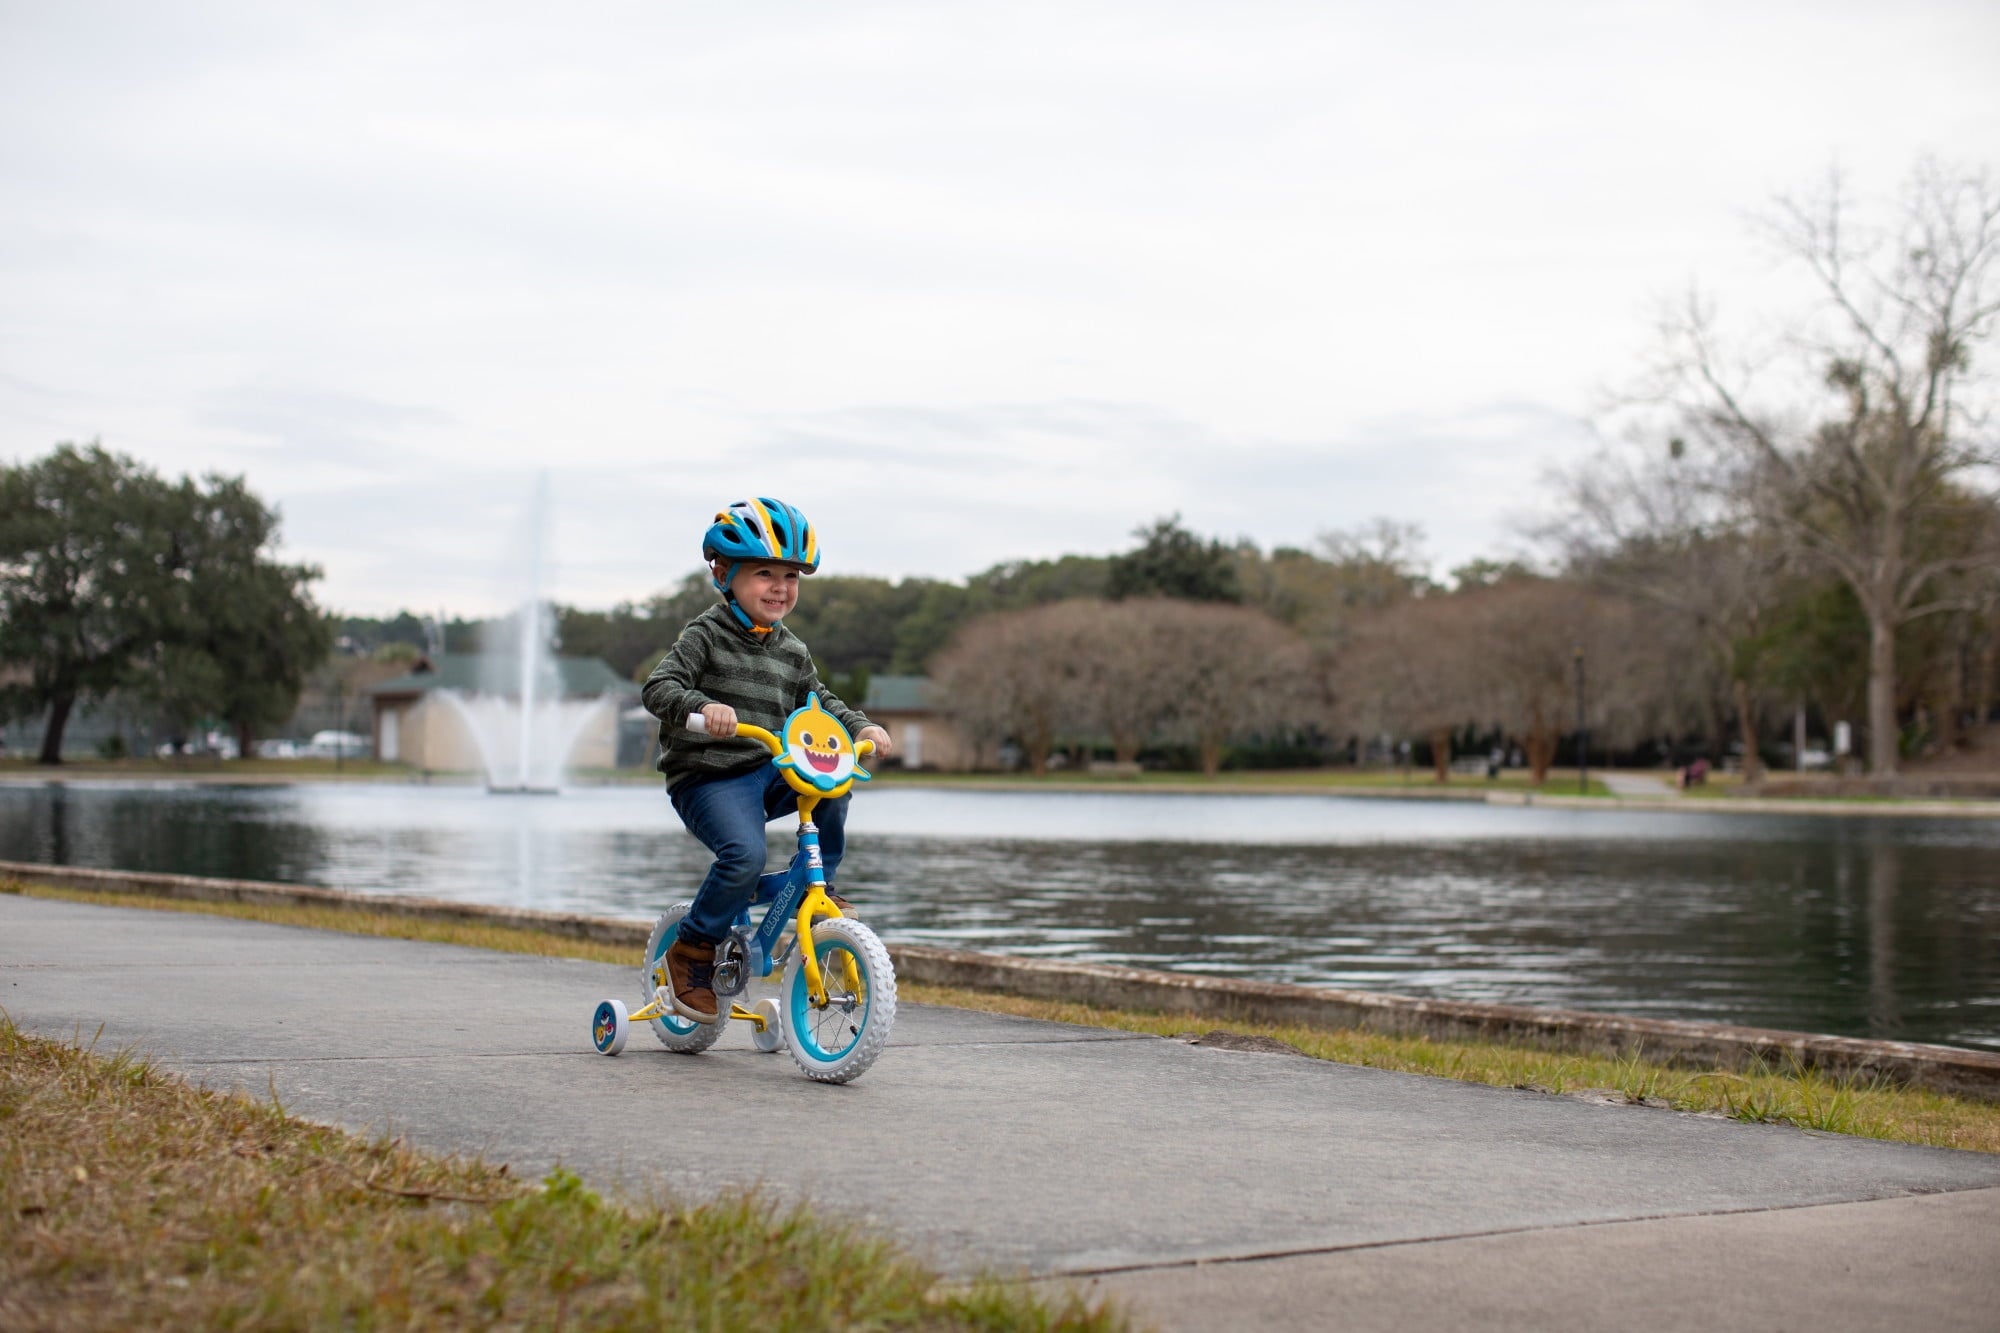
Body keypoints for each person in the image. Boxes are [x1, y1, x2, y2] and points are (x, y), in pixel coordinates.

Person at [641, 497, 892, 1024]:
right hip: (708, 777)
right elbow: (658, 687)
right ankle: (690, 953)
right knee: (743, 855)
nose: (780, 586)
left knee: (833, 785)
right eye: (764, 574)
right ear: (723, 574)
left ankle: (820, 888)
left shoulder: (792, 650)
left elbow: (818, 702)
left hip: (767, 769)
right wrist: (702, 707)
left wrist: (859, 727)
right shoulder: (704, 635)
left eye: (791, 576)